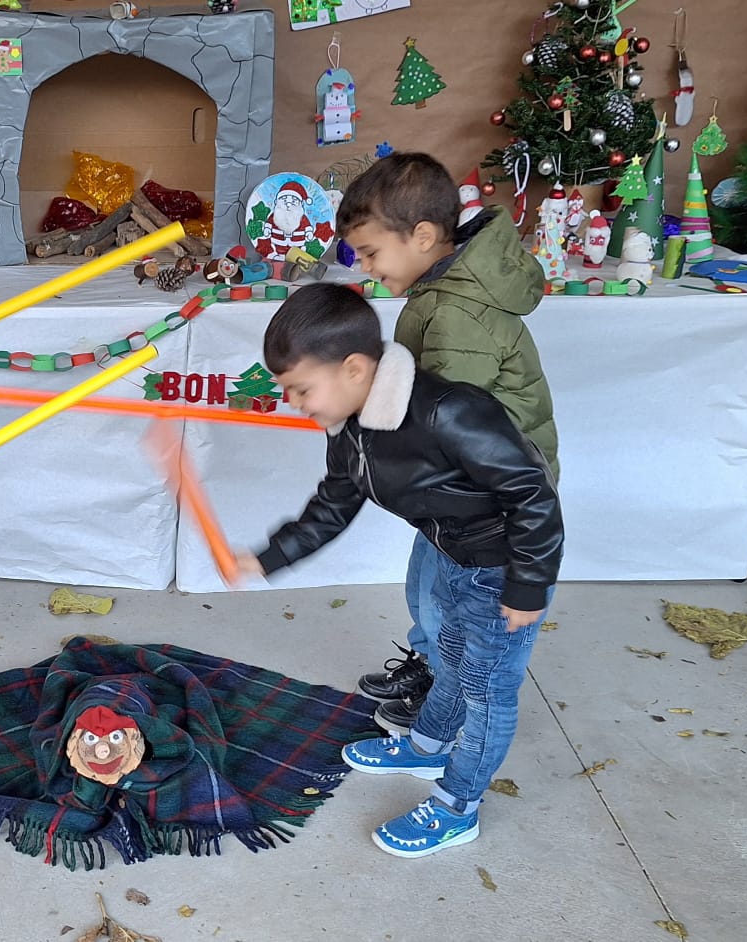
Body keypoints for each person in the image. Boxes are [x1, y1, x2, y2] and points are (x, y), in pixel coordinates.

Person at [233, 284, 563, 858]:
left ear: (354, 369)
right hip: (454, 556)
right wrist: (270, 557)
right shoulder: (350, 428)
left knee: (487, 692)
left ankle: (457, 807)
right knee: (450, 658)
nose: (293, 402)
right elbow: (333, 505)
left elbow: (533, 493)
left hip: (504, 568)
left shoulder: (448, 411)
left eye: (301, 388)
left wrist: (529, 584)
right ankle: (428, 744)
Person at [335, 152, 560, 734]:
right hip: (458, 490)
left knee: (445, 602)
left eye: (371, 253)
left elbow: (450, 418)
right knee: (425, 588)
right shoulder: (439, 293)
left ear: (422, 236)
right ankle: (432, 664)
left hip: (485, 496)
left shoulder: (458, 313)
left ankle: (446, 698)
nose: (367, 270)